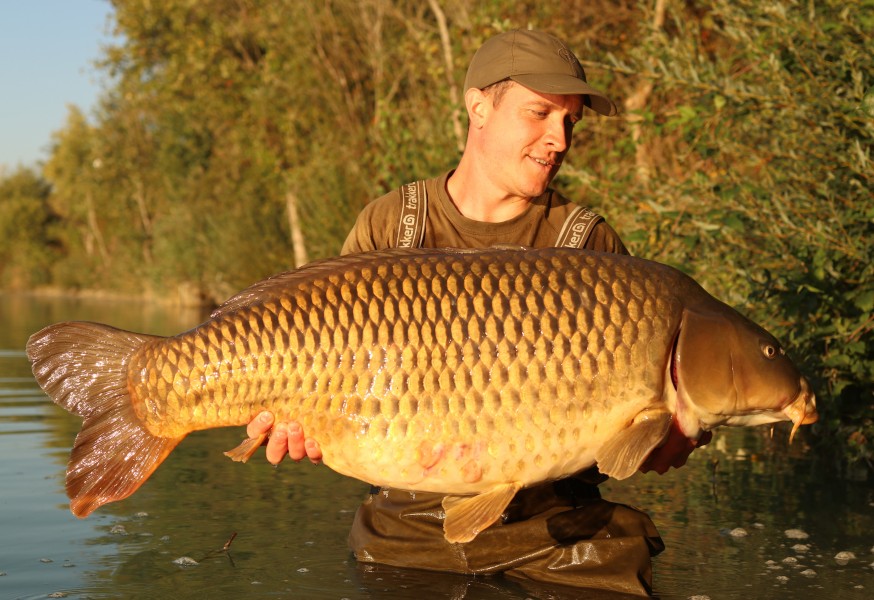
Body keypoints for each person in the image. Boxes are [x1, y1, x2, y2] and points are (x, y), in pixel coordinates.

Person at [245, 29, 709, 596]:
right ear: (478, 107)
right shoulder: (391, 224)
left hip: (555, 527)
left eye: (570, 122)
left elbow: (629, 445)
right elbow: (334, 385)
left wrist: (670, 432)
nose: (558, 139)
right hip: (408, 528)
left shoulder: (590, 246)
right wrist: (297, 427)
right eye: (539, 113)